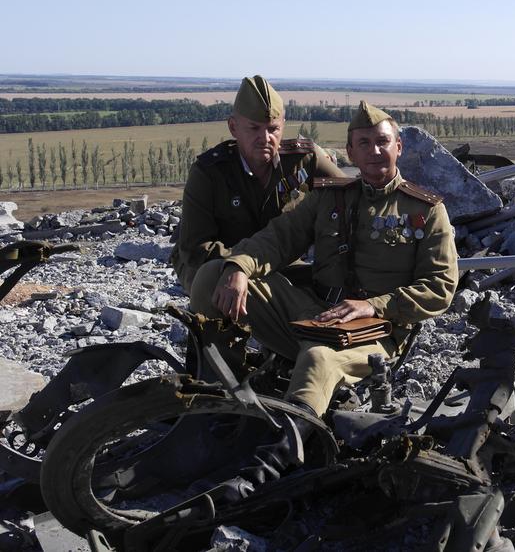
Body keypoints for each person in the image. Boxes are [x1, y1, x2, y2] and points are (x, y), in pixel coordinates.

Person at [188, 100, 459, 484]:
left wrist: (372, 306)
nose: (374, 151)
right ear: (350, 152)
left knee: (318, 357)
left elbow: (440, 287)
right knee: (213, 274)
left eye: (382, 142)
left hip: (373, 331)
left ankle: (272, 464)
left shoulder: (425, 211)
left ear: (399, 146)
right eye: (363, 143)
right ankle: (223, 400)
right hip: (314, 310)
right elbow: (278, 239)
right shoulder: (330, 197)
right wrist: (239, 267)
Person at [170, 75, 345, 294]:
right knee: (214, 286)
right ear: (233, 127)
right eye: (254, 128)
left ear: (283, 126)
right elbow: (195, 249)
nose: (265, 138)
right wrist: (244, 263)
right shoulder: (209, 172)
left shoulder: (304, 160)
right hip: (213, 262)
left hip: (275, 261)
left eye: (273, 129)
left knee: (322, 286)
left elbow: (351, 194)